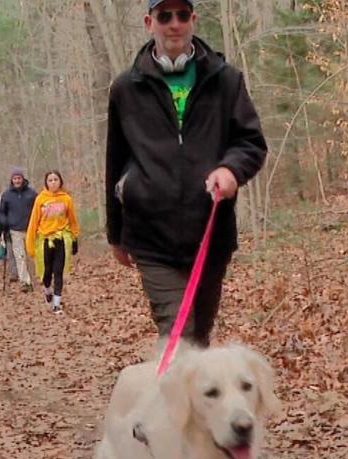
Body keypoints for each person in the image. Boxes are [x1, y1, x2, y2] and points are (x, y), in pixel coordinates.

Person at [105, 0, 267, 347]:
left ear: (193, 19)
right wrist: (116, 234)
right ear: (150, 23)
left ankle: (190, 399)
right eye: (165, 16)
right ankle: (175, 397)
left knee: (200, 336)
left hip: (210, 232)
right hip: (151, 237)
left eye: (181, 16)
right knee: (179, 335)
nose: (174, 24)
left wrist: (230, 170)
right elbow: (115, 160)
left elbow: (251, 142)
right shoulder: (126, 88)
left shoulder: (226, 80)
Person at [26, 170, 80, 314]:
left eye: (56, 179)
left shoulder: (66, 199)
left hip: (61, 238)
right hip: (44, 239)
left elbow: (72, 220)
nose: (53, 182)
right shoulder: (40, 199)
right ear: (46, 183)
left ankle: (57, 303)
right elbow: (33, 222)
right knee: (47, 272)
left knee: (58, 271)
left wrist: (75, 238)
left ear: (60, 181)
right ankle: (48, 290)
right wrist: (30, 245)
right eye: (50, 180)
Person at [0, 167, 38, 291]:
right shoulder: (6, 195)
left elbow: (38, 210)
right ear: (12, 180)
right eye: (15, 178)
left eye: (19, 178)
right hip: (14, 230)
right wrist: (3, 224)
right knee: (20, 256)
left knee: (31, 256)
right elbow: (2, 212)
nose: (17, 181)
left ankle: (33, 278)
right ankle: (25, 282)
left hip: (31, 229)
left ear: (22, 178)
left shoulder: (32, 194)